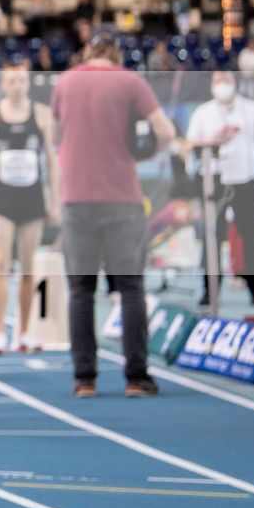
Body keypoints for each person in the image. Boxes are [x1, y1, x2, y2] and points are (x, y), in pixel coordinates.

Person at [49, 33, 175, 398]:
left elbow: (55, 134)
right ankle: (137, 376)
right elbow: (165, 131)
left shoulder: (66, 81)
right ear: (116, 54)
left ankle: (84, 378)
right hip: (121, 197)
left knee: (80, 290)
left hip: (77, 198)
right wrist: (142, 154)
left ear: (87, 51)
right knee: (131, 288)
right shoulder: (130, 81)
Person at [0, 60, 61, 354]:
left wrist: (54, 200)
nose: (16, 86)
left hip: (32, 198)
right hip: (1, 199)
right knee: (0, 264)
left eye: (21, 81)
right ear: (3, 85)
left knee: (28, 267)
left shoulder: (41, 115)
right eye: (11, 81)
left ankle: (23, 332)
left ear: (28, 83)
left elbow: (51, 159)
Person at [184, 69, 254, 307]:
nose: (222, 84)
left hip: (244, 180)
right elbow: (189, 145)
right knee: (212, 237)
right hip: (213, 181)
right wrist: (210, 141)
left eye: (226, 80)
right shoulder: (203, 113)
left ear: (234, 82)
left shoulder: (251, 110)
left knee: (251, 236)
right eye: (217, 80)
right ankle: (209, 290)